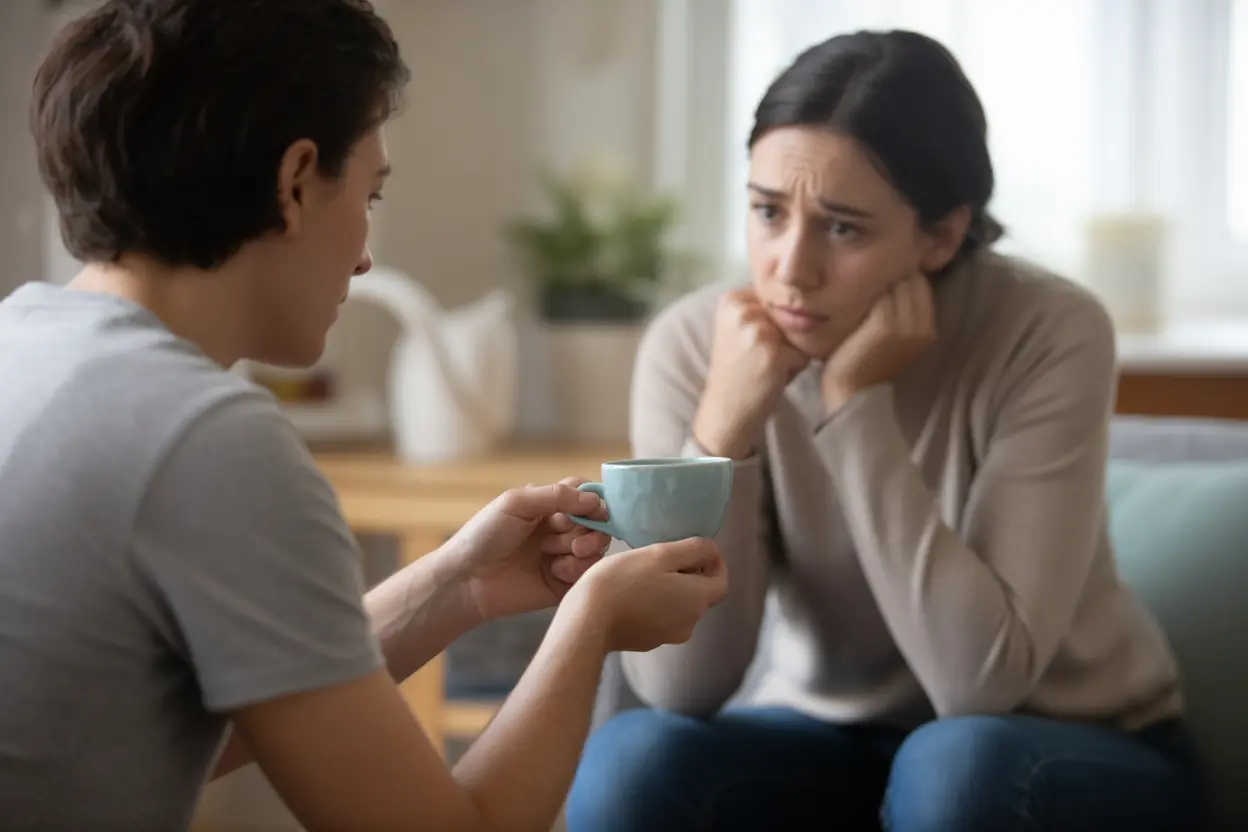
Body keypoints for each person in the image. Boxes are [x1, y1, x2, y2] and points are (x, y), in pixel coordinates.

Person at [0, 1, 728, 829]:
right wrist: (590, 621)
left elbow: (156, 730)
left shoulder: (21, 350)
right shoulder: (207, 439)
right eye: (370, 194)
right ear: (295, 181)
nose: (366, 252)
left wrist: (459, 586)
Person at [567, 29, 1210, 832]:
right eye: (768, 211)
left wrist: (853, 407)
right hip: (828, 737)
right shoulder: (697, 344)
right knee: (635, 759)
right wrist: (722, 435)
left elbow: (980, 688)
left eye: (842, 228)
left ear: (940, 236)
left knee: (954, 764)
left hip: (1068, 749)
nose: (790, 268)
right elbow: (682, 688)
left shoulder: (1050, 331)